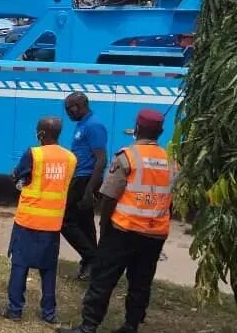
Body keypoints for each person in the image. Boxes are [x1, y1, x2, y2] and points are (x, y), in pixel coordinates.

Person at [60, 109, 176, 333]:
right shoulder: (171, 160)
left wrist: (104, 227)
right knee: (141, 282)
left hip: (123, 231)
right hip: (155, 234)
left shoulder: (128, 156)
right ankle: (131, 326)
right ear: (160, 132)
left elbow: (109, 196)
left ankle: (88, 326)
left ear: (137, 129)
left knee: (103, 278)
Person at [0, 117, 76, 324]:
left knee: (20, 265)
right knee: (48, 268)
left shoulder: (34, 154)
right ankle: (49, 313)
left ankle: (15, 310)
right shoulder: (70, 158)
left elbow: (16, 175)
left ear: (41, 133)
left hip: (28, 220)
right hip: (52, 224)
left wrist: (18, 178)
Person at [63, 91, 108, 280]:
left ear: (82, 105)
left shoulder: (94, 125)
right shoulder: (82, 124)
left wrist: (90, 190)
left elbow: (101, 159)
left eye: (70, 108)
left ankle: (93, 258)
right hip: (79, 178)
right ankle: (90, 265)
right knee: (85, 223)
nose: (68, 113)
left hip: (85, 180)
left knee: (64, 221)